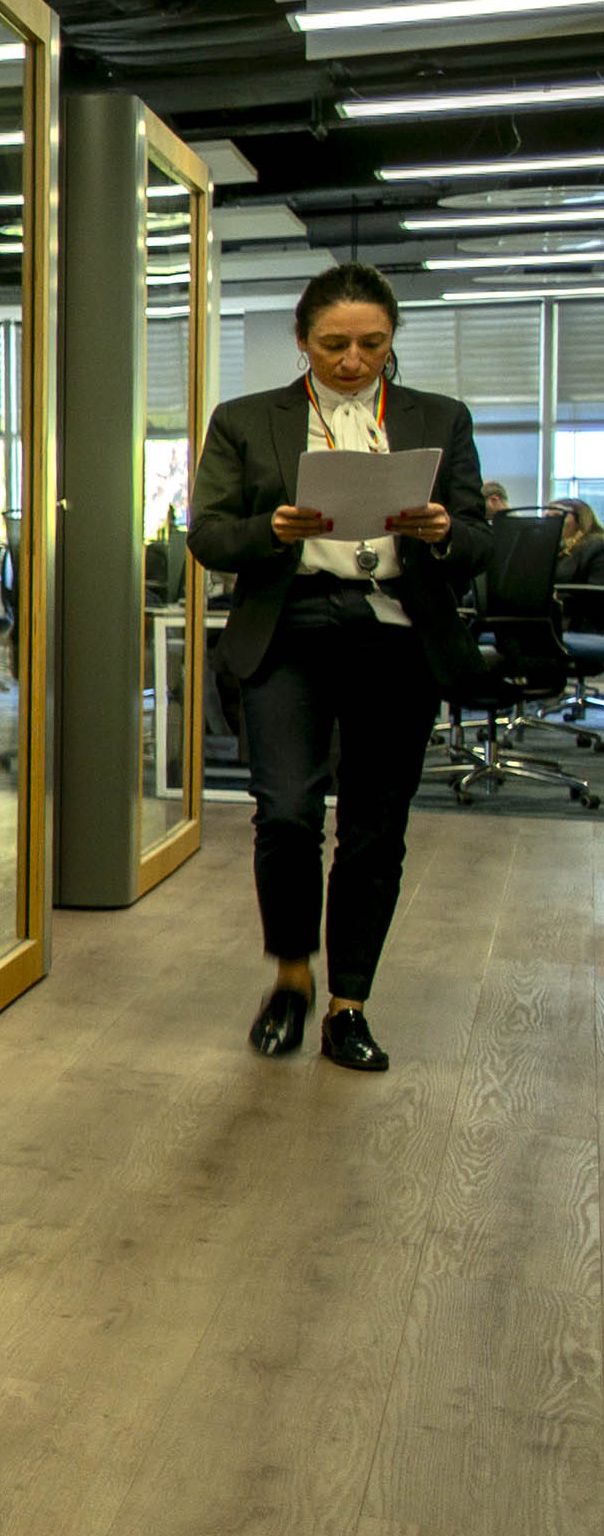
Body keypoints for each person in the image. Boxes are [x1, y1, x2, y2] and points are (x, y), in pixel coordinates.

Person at [186, 260, 481, 1074]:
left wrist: (441, 531)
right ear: (301, 340)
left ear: (392, 341)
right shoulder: (248, 420)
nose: (353, 361)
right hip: (291, 629)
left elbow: (478, 543)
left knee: (374, 831)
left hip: (395, 632)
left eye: (372, 344)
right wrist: (271, 529)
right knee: (285, 813)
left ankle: (349, 1004)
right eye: (333, 344)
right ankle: (291, 977)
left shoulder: (438, 417)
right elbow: (208, 534)